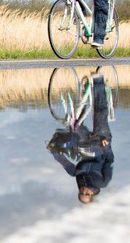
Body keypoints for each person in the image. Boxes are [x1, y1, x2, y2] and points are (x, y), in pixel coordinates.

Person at [48, 75, 114, 204]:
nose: (83, 191)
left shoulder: (76, 175)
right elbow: (109, 161)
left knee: (74, 124)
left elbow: (64, 162)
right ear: (91, 194)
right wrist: (106, 147)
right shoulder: (102, 182)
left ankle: (83, 93)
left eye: (81, 193)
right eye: (86, 194)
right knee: (100, 114)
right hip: (100, 144)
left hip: (84, 144)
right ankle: (98, 81)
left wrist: (53, 150)